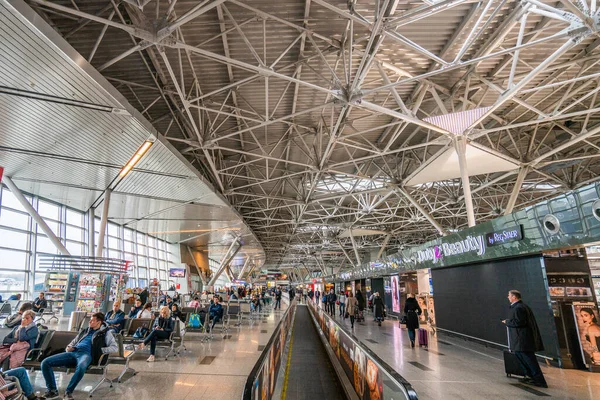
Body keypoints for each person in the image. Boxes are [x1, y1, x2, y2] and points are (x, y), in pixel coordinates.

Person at [41, 312, 117, 400]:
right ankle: (52, 390)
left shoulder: (105, 333)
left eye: (92, 321)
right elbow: (73, 342)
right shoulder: (85, 331)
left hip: (86, 355)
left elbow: (114, 348)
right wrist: (68, 348)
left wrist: (99, 350)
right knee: (45, 362)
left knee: (81, 367)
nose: (89, 322)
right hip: (73, 352)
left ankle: (68, 392)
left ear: (99, 322)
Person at [502, 290, 547, 388]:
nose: (508, 297)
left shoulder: (519, 308)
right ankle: (532, 377)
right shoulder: (521, 307)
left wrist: (507, 322)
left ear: (514, 297)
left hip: (523, 340)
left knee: (529, 359)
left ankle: (539, 380)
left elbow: (519, 322)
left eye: (509, 295)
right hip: (521, 340)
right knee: (521, 356)